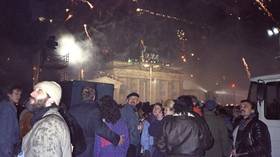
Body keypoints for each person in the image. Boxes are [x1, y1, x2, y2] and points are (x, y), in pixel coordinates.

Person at [69, 87, 124, 157]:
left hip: (74, 147)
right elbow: (100, 129)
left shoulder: (72, 109)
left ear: (82, 96)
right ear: (94, 97)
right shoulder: (95, 110)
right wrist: (117, 139)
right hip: (87, 148)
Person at [22, 81, 72, 156]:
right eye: (34, 90)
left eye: (39, 91)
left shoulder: (49, 126)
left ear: (51, 100)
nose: (32, 93)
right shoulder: (47, 120)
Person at [0, 85, 21, 156]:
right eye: (16, 94)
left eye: (20, 94)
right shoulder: (8, 109)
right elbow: (5, 133)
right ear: (9, 94)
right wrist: (7, 152)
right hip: (6, 149)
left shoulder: (6, 106)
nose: (19, 96)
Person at [121, 92, 142, 157]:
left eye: (135, 99)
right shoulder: (124, 110)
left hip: (133, 141)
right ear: (127, 100)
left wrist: (139, 128)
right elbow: (122, 126)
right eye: (131, 99)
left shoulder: (134, 110)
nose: (133, 100)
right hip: (128, 142)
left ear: (138, 101)